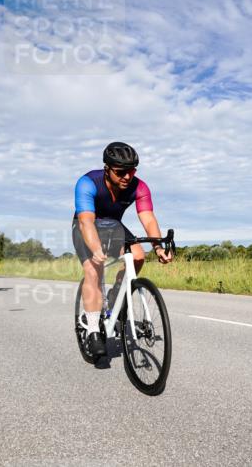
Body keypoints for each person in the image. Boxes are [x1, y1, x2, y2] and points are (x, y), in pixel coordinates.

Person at [72, 142, 172, 357]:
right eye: (121, 172)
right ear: (107, 168)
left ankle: (117, 292)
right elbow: (86, 222)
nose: (127, 177)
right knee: (93, 269)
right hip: (86, 225)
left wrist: (158, 246)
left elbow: (147, 218)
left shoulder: (140, 187)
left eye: (132, 171)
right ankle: (92, 329)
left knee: (138, 256)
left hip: (114, 226)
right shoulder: (88, 183)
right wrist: (96, 249)